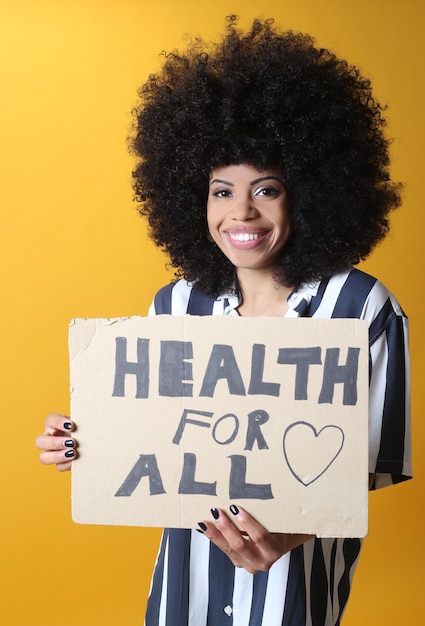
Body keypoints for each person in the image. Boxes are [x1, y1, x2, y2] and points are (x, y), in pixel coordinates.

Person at [36, 16, 412, 626]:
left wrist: (291, 532)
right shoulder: (173, 307)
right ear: (191, 198)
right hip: (179, 601)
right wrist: (80, 439)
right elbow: (154, 437)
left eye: (266, 189)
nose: (241, 211)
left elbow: (375, 463)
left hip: (294, 603)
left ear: (310, 193)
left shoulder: (361, 307)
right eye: (221, 190)